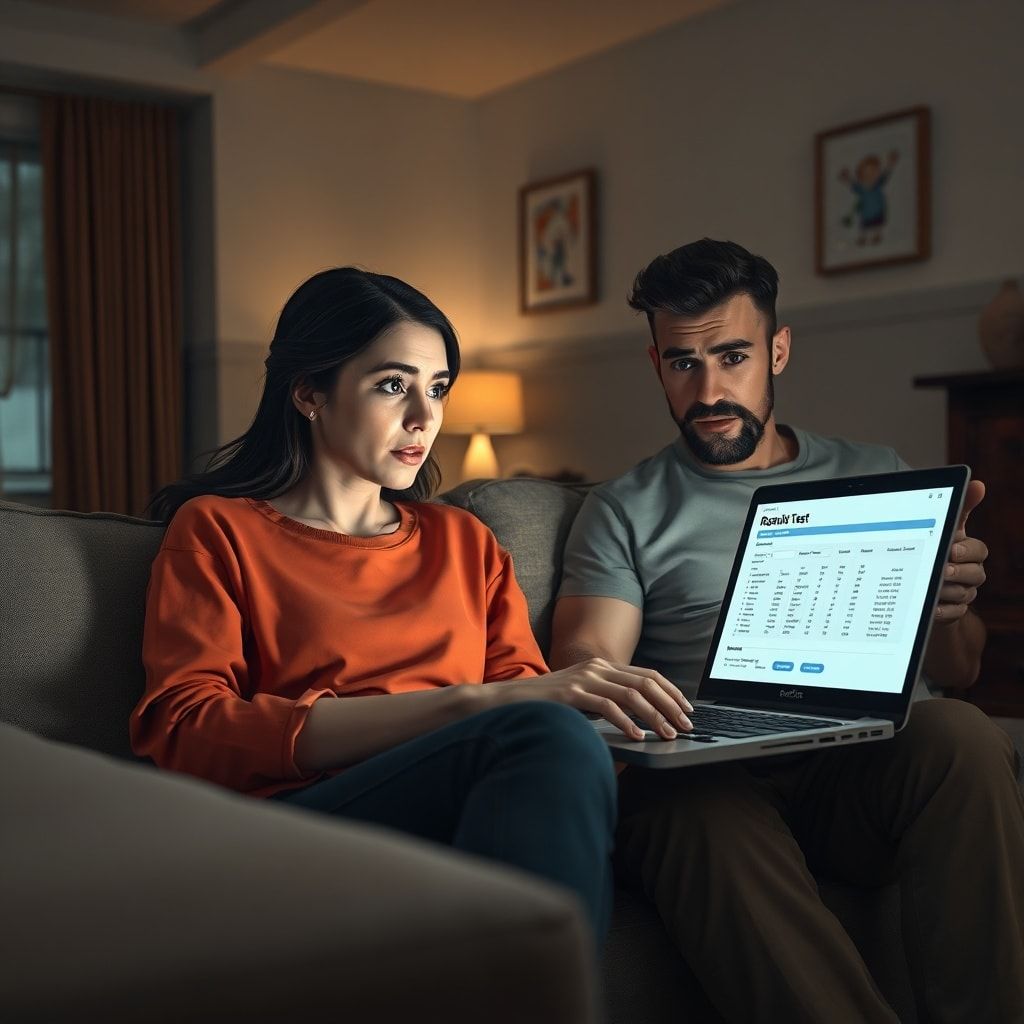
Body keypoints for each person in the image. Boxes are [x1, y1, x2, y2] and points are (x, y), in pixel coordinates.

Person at [130, 267, 693, 946]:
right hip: (305, 817)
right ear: (309, 392)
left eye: (437, 390)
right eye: (393, 385)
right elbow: (187, 730)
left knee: (584, 747)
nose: (424, 419)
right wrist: (465, 704)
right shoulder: (219, 530)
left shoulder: (463, 541)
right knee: (541, 732)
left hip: (467, 796)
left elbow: (523, 693)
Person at [550, 239, 1024, 1021]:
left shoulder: (876, 474)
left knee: (963, 735)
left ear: (778, 350)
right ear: (656, 364)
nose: (708, 389)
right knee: (685, 807)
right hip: (714, 771)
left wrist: (946, 607)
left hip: (859, 769)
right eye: (682, 363)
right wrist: (617, 686)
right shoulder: (626, 508)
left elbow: (961, 668)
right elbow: (589, 660)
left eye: (732, 356)